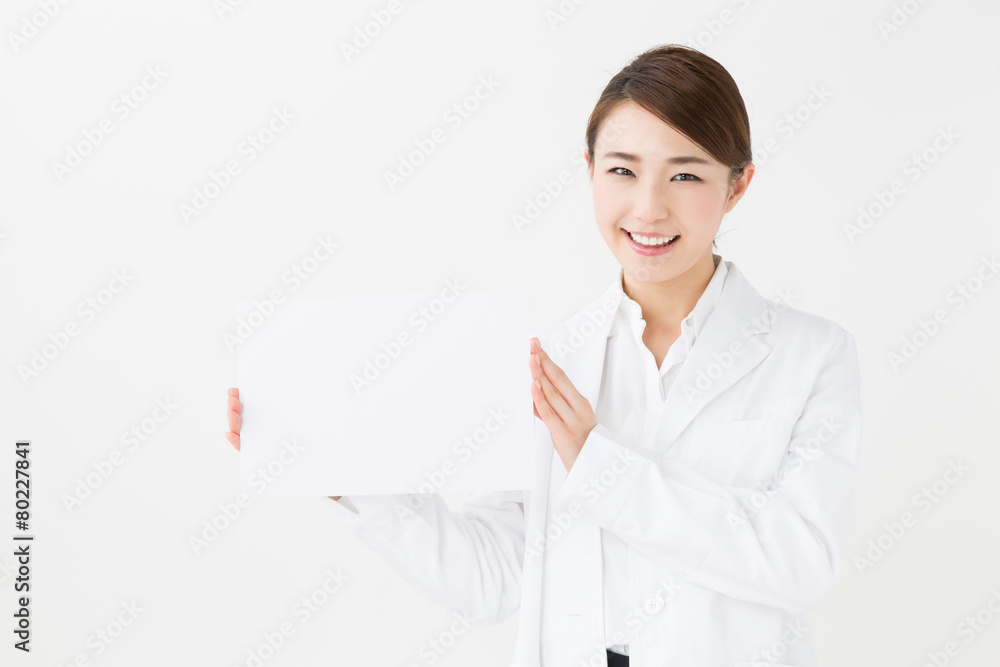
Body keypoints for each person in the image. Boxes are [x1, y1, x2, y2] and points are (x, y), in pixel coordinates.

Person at [225, 43, 862, 667]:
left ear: (737, 185)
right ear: (589, 170)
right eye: (622, 170)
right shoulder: (551, 359)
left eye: (686, 174)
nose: (648, 206)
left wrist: (598, 466)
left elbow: (799, 567)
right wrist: (350, 476)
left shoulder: (810, 356)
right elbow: (492, 580)